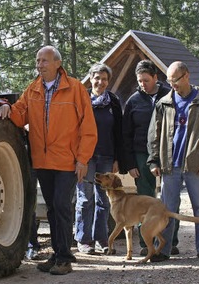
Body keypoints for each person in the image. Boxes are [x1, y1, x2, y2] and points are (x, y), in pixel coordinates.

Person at [0, 46, 97, 275]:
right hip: (42, 161)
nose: (39, 64)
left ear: (57, 64)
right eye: (37, 60)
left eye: (44, 61)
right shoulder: (33, 89)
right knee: (52, 208)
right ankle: (58, 253)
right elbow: (20, 114)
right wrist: (6, 108)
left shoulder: (76, 89)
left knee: (61, 205)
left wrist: (82, 160)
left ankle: (64, 258)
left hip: (67, 161)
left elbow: (89, 127)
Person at [147, 61, 199, 262]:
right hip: (169, 164)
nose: (172, 85)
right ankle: (164, 249)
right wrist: (154, 161)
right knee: (167, 210)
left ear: (186, 75)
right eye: (169, 81)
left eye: (175, 80)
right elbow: (154, 134)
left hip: (196, 164)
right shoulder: (164, 103)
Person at [121, 59, 178, 256]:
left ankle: (171, 240)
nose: (143, 84)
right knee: (144, 201)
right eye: (140, 81)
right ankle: (147, 242)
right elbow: (125, 134)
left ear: (155, 78)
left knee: (169, 198)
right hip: (140, 155)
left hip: (167, 153)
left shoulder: (170, 95)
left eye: (146, 80)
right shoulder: (133, 101)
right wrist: (129, 163)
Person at [75, 63, 124, 255]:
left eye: (104, 79)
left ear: (108, 81)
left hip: (106, 156)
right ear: (90, 78)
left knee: (103, 200)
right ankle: (83, 239)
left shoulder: (113, 101)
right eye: (97, 78)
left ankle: (102, 238)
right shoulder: (81, 99)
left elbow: (118, 131)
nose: (100, 82)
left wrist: (117, 159)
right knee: (85, 198)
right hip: (86, 157)